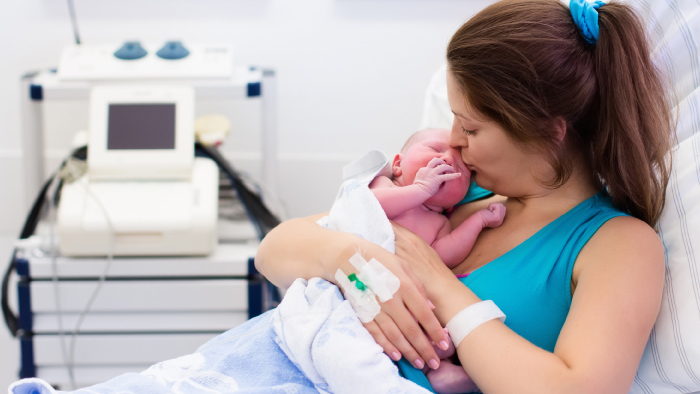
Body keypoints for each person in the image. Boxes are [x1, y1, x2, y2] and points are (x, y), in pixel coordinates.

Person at [255, 0, 674, 392]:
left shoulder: (619, 245)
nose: (453, 141)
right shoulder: (455, 192)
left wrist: (438, 282)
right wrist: (349, 261)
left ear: (550, 131)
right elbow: (274, 251)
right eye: (453, 120)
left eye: (470, 129)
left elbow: (577, 388)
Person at [370, 128, 506, 268]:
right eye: (434, 149)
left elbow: (442, 258)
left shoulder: (440, 224)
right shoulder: (384, 184)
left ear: (454, 203)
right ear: (398, 164)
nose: (449, 159)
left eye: (461, 167)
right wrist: (420, 189)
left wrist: (479, 220)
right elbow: (368, 207)